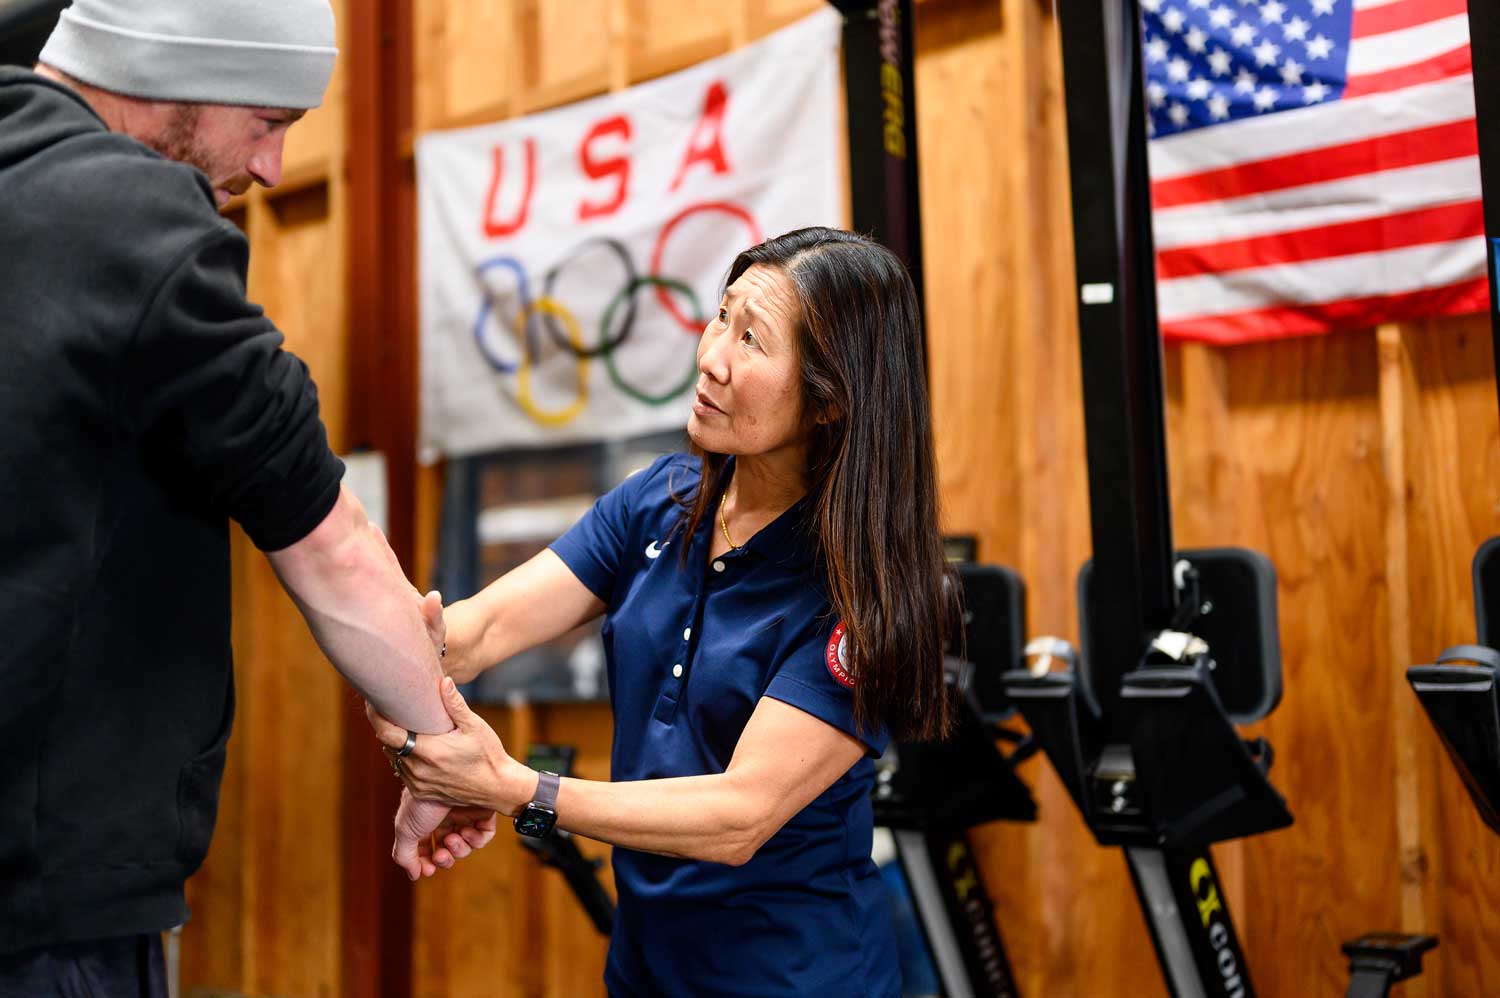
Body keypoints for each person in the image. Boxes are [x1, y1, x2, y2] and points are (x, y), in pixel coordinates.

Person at [0, 3, 491, 993]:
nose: (269, 168)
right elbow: (331, 547)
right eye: (269, 121)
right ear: (174, 69)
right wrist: (445, 749)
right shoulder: (140, 227)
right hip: (43, 905)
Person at [368, 227, 959, 996]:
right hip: (646, 970)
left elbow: (739, 815)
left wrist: (513, 787)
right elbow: (476, 633)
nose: (711, 357)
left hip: (794, 979)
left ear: (830, 397)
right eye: (721, 316)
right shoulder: (663, 500)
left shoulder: (858, 597)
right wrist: (412, 711)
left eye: (752, 340)